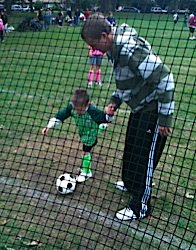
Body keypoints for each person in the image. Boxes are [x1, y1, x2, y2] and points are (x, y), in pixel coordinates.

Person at [81, 14, 175, 221]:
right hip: (140, 108)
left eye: (95, 44)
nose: (95, 50)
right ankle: (132, 183)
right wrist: (115, 100)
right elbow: (127, 80)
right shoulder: (114, 49)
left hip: (154, 109)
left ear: (105, 36)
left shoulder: (128, 49)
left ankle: (140, 206)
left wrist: (166, 118)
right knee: (131, 147)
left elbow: (165, 78)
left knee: (144, 155)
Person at [42, 89, 114, 183]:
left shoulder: (92, 111)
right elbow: (60, 116)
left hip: (90, 135)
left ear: (87, 105)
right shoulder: (71, 108)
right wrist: (49, 126)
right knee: (96, 127)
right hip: (84, 131)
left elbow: (105, 118)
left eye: (80, 110)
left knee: (85, 152)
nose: (78, 112)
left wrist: (109, 114)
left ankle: (86, 173)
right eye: (76, 109)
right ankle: (101, 127)